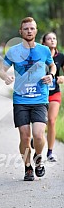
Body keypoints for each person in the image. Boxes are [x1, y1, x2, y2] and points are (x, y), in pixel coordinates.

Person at [0, 17, 56, 181]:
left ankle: (38, 160)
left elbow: (52, 65)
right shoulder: (13, 51)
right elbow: (1, 70)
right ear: (20, 32)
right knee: (24, 137)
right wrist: (6, 77)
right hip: (21, 100)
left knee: (38, 135)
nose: (29, 31)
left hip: (40, 98)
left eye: (32, 28)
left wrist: (51, 75)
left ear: (36, 31)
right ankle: (27, 167)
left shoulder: (44, 50)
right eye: (26, 29)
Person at [41, 32, 64, 161]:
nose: (52, 40)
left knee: (51, 120)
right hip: (39, 94)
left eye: (54, 38)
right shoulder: (39, 56)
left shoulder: (60, 57)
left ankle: (50, 152)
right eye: (49, 39)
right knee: (41, 121)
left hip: (54, 93)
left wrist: (62, 78)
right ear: (43, 42)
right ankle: (38, 138)